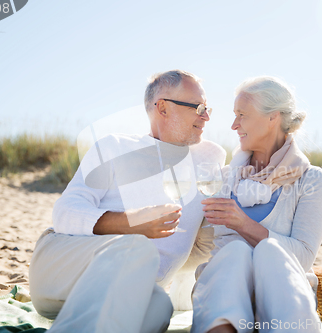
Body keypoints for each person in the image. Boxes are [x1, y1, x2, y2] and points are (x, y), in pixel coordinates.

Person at [29, 70, 226, 333]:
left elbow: (200, 239)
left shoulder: (210, 158)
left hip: (133, 292)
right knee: (137, 249)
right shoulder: (113, 147)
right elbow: (65, 213)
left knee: (159, 308)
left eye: (207, 107)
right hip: (61, 273)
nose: (207, 116)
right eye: (198, 107)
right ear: (163, 108)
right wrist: (133, 223)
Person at [191, 76, 322, 333]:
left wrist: (243, 224)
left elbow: (302, 258)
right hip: (224, 295)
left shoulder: (312, 180)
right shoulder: (222, 178)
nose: (234, 125)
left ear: (272, 118)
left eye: (242, 115)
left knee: (270, 253)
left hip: (282, 297)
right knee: (234, 254)